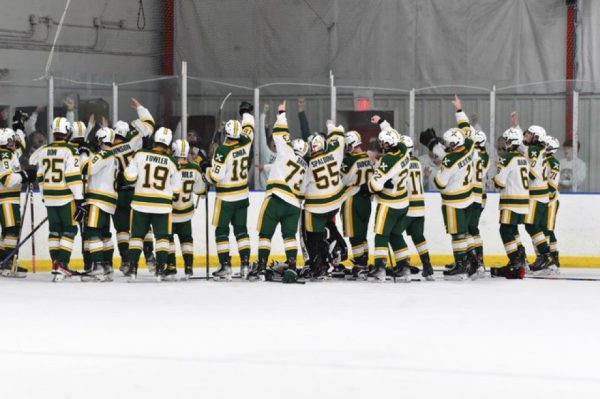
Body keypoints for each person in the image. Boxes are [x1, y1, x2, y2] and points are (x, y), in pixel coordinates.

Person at [250, 101, 308, 281]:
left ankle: (260, 265)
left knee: (265, 234)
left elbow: (279, 134)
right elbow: (304, 190)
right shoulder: (306, 167)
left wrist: (281, 113)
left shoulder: (286, 152)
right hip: (294, 205)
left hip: (275, 199)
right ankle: (291, 265)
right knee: (289, 237)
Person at [123, 127, 181, 281]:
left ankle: (132, 269)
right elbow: (177, 188)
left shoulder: (140, 154)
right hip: (162, 205)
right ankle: (160, 271)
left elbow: (129, 177)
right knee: (162, 238)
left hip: (140, 203)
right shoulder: (172, 161)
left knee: (136, 237)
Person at [205, 101, 255, 280]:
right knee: (241, 230)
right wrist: (246, 113)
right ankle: (245, 265)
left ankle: (225, 266)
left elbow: (215, 178)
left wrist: (207, 169)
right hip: (242, 195)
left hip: (226, 197)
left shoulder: (222, 151)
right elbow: (250, 126)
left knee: (221, 231)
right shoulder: (246, 142)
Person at [34, 117, 86, 280]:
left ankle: (55, 264)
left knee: (54, 231)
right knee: (69, 229)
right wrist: (79, 200)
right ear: (67, 131)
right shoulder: (70, 150)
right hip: (65, 197)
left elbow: (40, 176)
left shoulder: (44, 150)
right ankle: (62, 264)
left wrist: (43, 196)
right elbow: (73, 177)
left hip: (49, 197)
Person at [111, 98, 155, 275]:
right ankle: (150, 256)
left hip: (117, 194)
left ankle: (126, 261)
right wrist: (140, 108)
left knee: (122, 230)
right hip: (135, 192)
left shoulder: (107, 151)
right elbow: (150, 125)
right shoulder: (133, 141)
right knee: (141, 226)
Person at [367, 116, 411, 281]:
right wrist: (381, 122)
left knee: (381, 235)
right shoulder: (403, 149)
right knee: (396, 235)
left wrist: (374, 166)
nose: (380, 145)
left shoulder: (387, 160)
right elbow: (392, 133)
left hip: (388, 203)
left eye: (382, 143)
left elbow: (376, 185)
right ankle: (404, 267)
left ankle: (379, 268)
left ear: (386, 145)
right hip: (403, 202)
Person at [303, 120, 346, 278]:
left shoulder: (309, 164)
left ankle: (318, 265)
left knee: (313, 236)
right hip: (335, 203)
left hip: (316, 207)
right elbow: (339, 137)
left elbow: (302, 187)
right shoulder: (334, 153)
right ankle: (335, 253)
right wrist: (331, 127)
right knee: (329, 228)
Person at [490, 128, 530, 279]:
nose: (504, 144)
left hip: (511, 200)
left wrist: (494, 181)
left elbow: (500, 182)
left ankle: (515, 261)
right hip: (523, 200)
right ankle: (521, 256)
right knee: (513, 229)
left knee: (505, 230)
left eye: (506, 141)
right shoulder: (523, 158)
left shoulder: (506, 157)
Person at [81, 127, 118, 281]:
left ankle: (97, 267)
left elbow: (85, 168)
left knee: (92, 232)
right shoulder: (114, 157)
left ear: (101, 139)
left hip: (97, 199)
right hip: (109, 200)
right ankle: (108, 267)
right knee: (105, 234)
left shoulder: (103, 154)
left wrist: (83, 153)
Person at [520, 125, 557, 274]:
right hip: (540, 194)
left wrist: (517, 179)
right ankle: (547, 258)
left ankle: (546, 256)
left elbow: (532, 172)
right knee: (536, 227)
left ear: (536, 137)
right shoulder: (537, 150)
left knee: (530, 225)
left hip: (535, 194)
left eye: (529, 133)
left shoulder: (533, 150)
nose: (526, 135)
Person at [169, 139, 207, 279]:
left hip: (171, 212)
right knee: (187, 240)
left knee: (169, 239)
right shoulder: (195, 168)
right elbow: (200, 190)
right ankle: (189, 267)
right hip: (186, 212)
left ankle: (171, 266)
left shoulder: (170, 165)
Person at [398, 135, 434, 280]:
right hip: (420, 204)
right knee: (418, 236)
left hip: (407, 204)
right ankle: (427, 264)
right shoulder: (417, 162)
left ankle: (403, 264)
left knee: (394, 234)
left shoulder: (401, 162)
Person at [0, 128, 33, 277]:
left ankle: (4, 262)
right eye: (13, 140)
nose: (15, 142)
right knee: (12, 231)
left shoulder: (8, 153)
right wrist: (24, 176)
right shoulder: (5, 155)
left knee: (7, 232)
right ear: (7, 141)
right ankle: (8, 265)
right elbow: (7, 179)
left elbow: (20, 149)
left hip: (7, 199)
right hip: (7, 199)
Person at [340, 130, 373, 269]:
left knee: (354, 235)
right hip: (366, 201)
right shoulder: (367, 157)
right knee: (362, 234)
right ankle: (364, 260)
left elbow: (342, 180)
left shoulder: (348, 160)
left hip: (352, 199)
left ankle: (359, 263)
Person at [544, 136, 561, 268]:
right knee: (544, 229)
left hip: (551, 201)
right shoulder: (544, 159)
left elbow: (552, 186)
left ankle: (553, 258)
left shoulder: (553, 162)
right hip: (545, 200)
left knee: (548, 230)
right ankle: (550, 258)